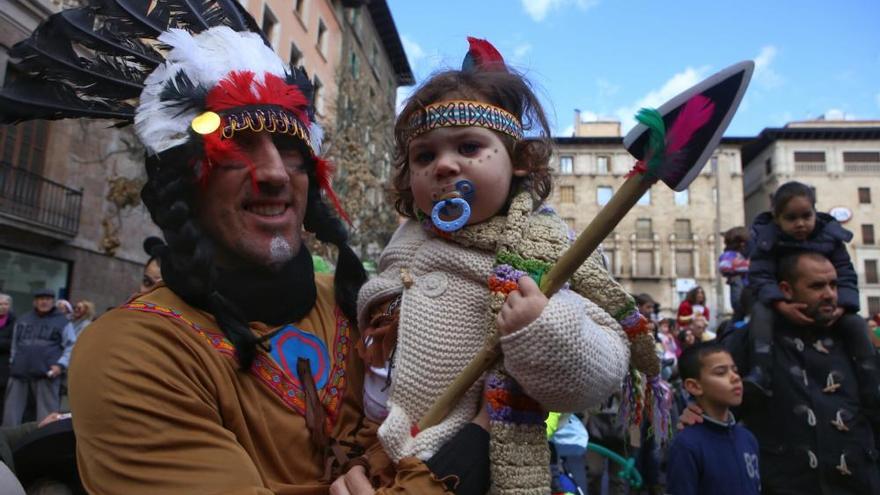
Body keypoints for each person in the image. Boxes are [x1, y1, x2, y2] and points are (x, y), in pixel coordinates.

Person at [0, 2, 493, 493]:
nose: (275, 173)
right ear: (185, 184)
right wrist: (473, 448)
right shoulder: (129, 352)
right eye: (235, 147)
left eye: (292, 150)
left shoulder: (359, 304)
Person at [356, 37, 651, 494]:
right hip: (381, 462)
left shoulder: (544, 250)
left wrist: (544, 327)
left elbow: (600, 372)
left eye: (469, 147)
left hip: (477, 472)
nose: (445, 165)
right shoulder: (404, 241)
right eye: (425, 155)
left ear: (519, 161)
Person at [684, 252, 880, 494]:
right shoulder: (750, 342)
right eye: (817, 286)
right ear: (786, 289)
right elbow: (715, 403)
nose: (830, 294)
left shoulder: (855, 339)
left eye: (833, 285)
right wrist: (697, 412)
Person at [744, 181, 874, 396]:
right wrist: (780, 304)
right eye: (791, 218)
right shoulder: (767, 240)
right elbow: (760, 275)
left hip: (828, 307)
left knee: (855, 324)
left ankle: (871, 376)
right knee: (761, 313)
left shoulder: (831, 238)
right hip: (781, 302)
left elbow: (846, 274)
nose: (801, 224)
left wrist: (842, 305)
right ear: (776, 218)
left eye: (806, 216)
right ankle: (761, 369)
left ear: (816, 212)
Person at [665, 342, 759, 495]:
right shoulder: (687, 445)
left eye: (735, 370)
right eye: (721, 372)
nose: (735, 377)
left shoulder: (748, 438)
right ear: (694, 386)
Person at [2, 290, 76, 427]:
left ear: (53, 302)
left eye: (47, 299)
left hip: (47, 373)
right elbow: (14, 344)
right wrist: (13, 362)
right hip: (19, 372)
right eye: (41, 299)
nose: (44, 302)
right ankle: (7, 445)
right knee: (11, 416)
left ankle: (45, 445)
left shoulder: (63, 322)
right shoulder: (23, 319)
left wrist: (60, 365)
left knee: (47, 417)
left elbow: (72, 346)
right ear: (35, 302)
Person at [718, 226, 750, 317]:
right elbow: (725, 267)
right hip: (739, 293)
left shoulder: (744, 255)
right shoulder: (729, 255)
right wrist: (748, 265)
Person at [0, 293, 16, 419]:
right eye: (0, 304)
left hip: (3, 366)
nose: (3, 306)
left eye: (6, 304)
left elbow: (14, 342)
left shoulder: (14, 322)